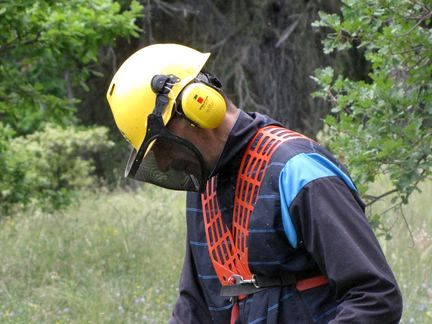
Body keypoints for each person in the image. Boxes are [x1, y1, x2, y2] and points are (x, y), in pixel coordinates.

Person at [106, 43, 403, 323]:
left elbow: (375, 297)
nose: (163, 163)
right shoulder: (205, 186)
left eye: (161, 147)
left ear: (197, 108)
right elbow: (194, 307)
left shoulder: (299, 171)